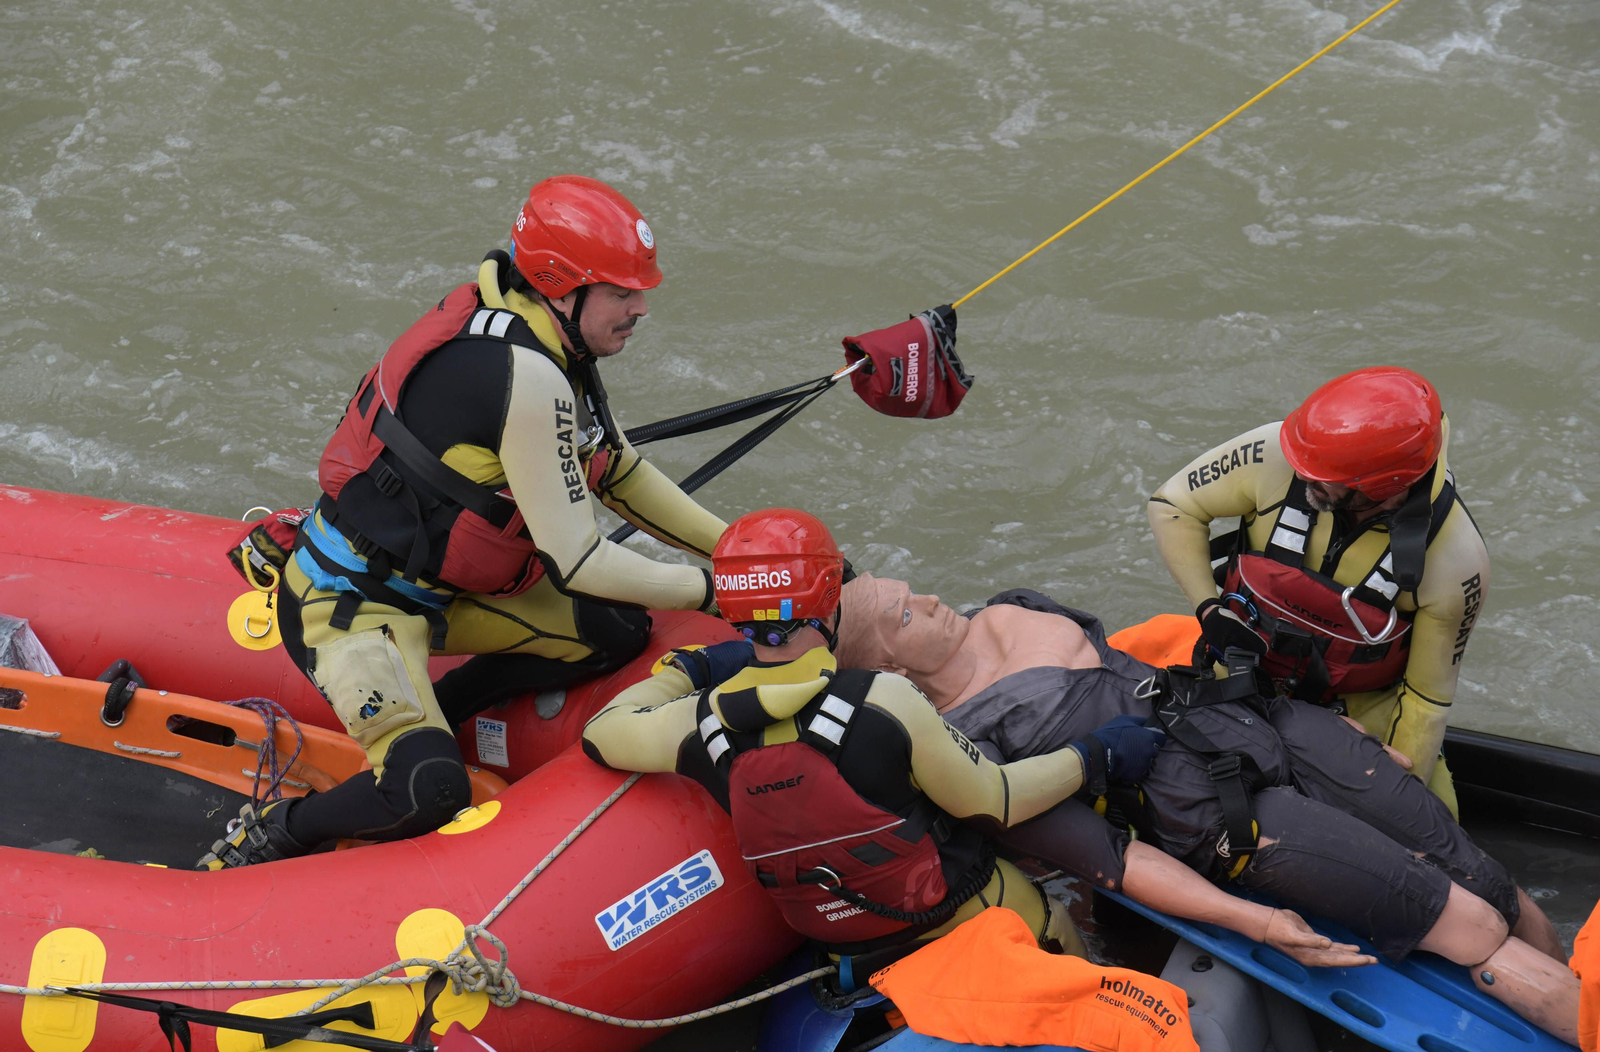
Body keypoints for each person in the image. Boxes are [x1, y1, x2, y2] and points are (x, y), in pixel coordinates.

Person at [202, 176, 728, 869]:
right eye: (623, 292)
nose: (641, 307)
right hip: (351, 605)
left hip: (445, 592)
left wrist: (736, 548)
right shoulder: (526, 374)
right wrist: (721, 589)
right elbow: (580, 560)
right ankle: (279, 828)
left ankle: (438, 712)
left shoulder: (535, 330)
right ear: (560, 284)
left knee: (618, 632)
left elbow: (618, 474)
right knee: (428, 789)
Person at [835, 575, 1580, 1043]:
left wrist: (1318, 717)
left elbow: (1157, 668)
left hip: (1265, 727)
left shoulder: (1013, 604)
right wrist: (1254, 920)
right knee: (1472, 925)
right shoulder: (977, 751)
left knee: (1490, 884)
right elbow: (1115, 860)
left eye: (914, 589)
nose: (930, 600)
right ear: (896, 670)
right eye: (906, 616)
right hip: (1232, 815)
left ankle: (1580, 991)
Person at [581, 509, 1166, 964]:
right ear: (830, 599)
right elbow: (997, 799)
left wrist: (691, 669)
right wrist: (1094, 754)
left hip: (826, 931)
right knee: (1051, 914)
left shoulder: (697, 722)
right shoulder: (885, 698)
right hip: (934, 910)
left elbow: (601, 733)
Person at [1146, 366, 1486, 814]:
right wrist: (1208, 608)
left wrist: (1398, 797)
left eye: (1324, 479)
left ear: (1383, 489)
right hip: (1240, 674)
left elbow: (1425, 700)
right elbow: (1174, 506)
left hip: (1356, 716)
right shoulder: (1280, 452)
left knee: (1435, 833)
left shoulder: (1456, 564)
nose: (1299, 476)